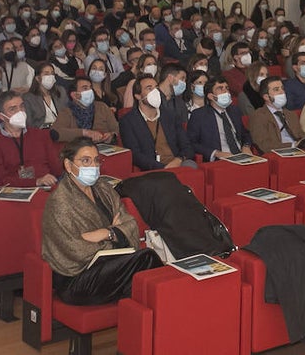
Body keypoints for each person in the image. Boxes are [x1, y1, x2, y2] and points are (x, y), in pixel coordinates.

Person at [41, 137, 163, 306]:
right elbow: (75, 249)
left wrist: (106, 233)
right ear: (68, 165)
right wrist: (115, 235)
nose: (93, 166)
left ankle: (155, 315)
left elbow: (130, 224)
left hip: (109, 265)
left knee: (143, 278)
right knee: (146, 259)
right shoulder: (59, 202)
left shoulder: (103, 188)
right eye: (85, 161)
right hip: (76, 279)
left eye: (96, 160)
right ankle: (164, 313)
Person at [0, 92, 62, 188]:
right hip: (14, 193)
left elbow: (57, 169)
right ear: (1, 116)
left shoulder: (41, 135)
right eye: (13, 109)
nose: (20, 112)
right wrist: (36, 182)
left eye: (22, 106)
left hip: (46, 188)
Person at [118, 75, 196, 170]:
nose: (155, 92)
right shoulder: (128, 121)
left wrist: (179, 160)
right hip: (153, 169)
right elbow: (135, 155)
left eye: (156, 87)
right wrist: (163, 168)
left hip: (177, 165)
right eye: (149, 88)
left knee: (191, 166)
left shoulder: (170, 116)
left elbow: (187, 146)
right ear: (138, 96)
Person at [187, 78, 251, 161]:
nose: (226, 91)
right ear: (211, 96)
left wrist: (246, 146)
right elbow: (191, 143)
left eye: (227, 88)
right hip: (219, 159)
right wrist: (216, 153)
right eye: (220, 88)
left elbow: (245, 134)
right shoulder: (199, 115)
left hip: (240, 156)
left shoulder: (234, 110)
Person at [53, 77, 120, 144]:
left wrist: (111, 136)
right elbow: (56, 132)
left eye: (90, 87)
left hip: (104, 148)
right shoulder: (67, 112)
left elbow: (117, 129)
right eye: (85, 88)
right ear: (74, 95)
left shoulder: (102, 107)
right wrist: (85, 133)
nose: (90, 91)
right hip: (79, 150)